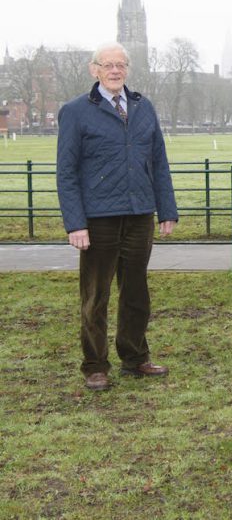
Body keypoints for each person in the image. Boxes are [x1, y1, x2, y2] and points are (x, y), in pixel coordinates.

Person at [56, 42, 178, 391]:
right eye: (107, 65)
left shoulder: (143, 106)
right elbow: (66, 171)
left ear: (128, 69)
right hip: (98, 218)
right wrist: (75, 222)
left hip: (140, 213)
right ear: (94, 69)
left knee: (136, 291)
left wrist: (166, 208)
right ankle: (95, 365)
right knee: (95, 295)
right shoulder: (76, 111)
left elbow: (158, 162)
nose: (114, 71)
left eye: (120, 65)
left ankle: (135, 357)